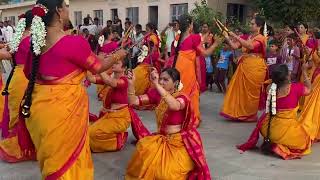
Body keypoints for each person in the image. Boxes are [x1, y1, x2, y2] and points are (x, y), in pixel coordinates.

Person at [22, 1, 127, 179]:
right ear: (59, 10)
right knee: (69, 164)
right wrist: (119, 55)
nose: (69, 10)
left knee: (53, 164)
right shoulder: (73, 43)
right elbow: (98, 66)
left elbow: (27, 72)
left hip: (40, 113)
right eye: (67, 5)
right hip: (65, 113)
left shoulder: (35, 43)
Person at [126, 68, 211, 179]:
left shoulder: (182, 97)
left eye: (165, 80)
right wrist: (131, 84)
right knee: (142, 156)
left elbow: (174, 106)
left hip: (178, 143)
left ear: (175, 83)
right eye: (160, 79)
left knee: (166, 174)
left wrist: (156, 85)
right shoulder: (157, 94)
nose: (161, 82)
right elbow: (134, 101)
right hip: (161, 139)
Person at [237, 64, 313, 160]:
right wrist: (304, 72)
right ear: (287, 77)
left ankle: (273, 142)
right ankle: (279, 147)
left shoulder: (269, 87)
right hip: (284, 131)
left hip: (266, 128)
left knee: (277, 130)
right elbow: (309, 89)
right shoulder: (295, 88)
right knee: (305, 141)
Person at [168, 15, 221, 126]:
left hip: (179, 66)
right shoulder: (194, 37)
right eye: (192, 24)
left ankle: (178, 117)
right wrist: (216, 44)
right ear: (189, 26)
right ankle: (189, 118)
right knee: (189, 92)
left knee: (180, 90)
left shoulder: (180, 38)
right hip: (187, 68)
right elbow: (205, 53)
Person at [0, 11, 34, 163]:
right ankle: (26, 148)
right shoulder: (32, 41)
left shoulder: (17, 40)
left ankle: (23, 147)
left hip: (17, 78)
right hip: (27, 79)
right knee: (28, 116)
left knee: (18, 115)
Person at [220, 15, 268, 122]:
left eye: (252, 24)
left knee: (251, 93)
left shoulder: (261, 38)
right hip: (245, 65)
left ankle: (250, 115)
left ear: (259, 26)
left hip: (255, 67)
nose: (250, 25)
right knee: (240, 91)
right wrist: (227, 37)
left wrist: (236, 36)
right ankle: (239, 113)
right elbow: (234, 46)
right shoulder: (249, 36)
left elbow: (250, 46)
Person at [87, 58, 131, 152]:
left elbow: (111, 82)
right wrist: (86, 64)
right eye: (113, 62)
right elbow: (91, 78)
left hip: (120, 118)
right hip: (108, 115)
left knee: (91, 133)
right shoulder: (109, 78)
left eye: (117, 63)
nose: (113, 64)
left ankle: (116, 142)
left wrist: (98, 67)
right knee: (86, 130)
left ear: (124, 68)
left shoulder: (124, 81)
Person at [298, 36, 320, 142]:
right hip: (315, 79)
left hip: (316, 81)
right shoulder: (313, 53)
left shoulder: (314, 54)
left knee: (315, 105)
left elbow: (313, 62)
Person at [133, 23, 161, 96]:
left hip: (153, 55)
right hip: (149, 54)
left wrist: (149, 55)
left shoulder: (153, 37)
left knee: (144, 66)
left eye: (147, 29)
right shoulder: (149, 36)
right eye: (146, 29)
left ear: (152, 30)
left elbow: (154, 47)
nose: (146, 31)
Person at [96, 29, 119, 100]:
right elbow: (117, 53)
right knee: (110, 79)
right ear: (109, 35)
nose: (113, 35)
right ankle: (107, 93)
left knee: (103, 78)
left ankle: (101, 92)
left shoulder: (102, 43)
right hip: (110, 64)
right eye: (112, 33)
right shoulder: (113, 44)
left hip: (103, 63)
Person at [199, 23, 214, 92]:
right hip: (200, 54)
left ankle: (208, 84)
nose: (204, 28)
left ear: (208, 28)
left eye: (206, 27)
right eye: (203, 27)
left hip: (207, 54)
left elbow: (210, 45)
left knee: (208, 71)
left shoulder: (210, 36)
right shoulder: (199, 35)